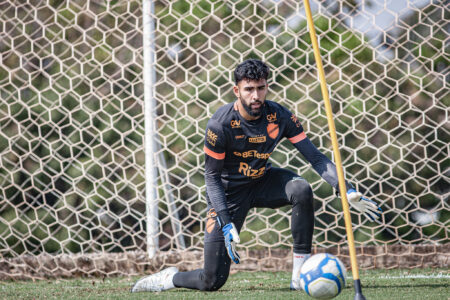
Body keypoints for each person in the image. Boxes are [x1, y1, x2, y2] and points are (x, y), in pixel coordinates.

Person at [131, 59, 382, 292]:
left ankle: (299, 274)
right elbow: (211, 177)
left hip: (263, 180)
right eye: (249, 89)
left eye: (261, 88)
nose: (256, 95)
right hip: (228, 194)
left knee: (301, 189)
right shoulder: (220, 125)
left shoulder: (279, 116)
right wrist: (226, 221)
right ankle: (168, 279)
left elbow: (315, 157)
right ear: (236, 90)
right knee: (212, 280)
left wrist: (345, 188)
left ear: (267, 87)